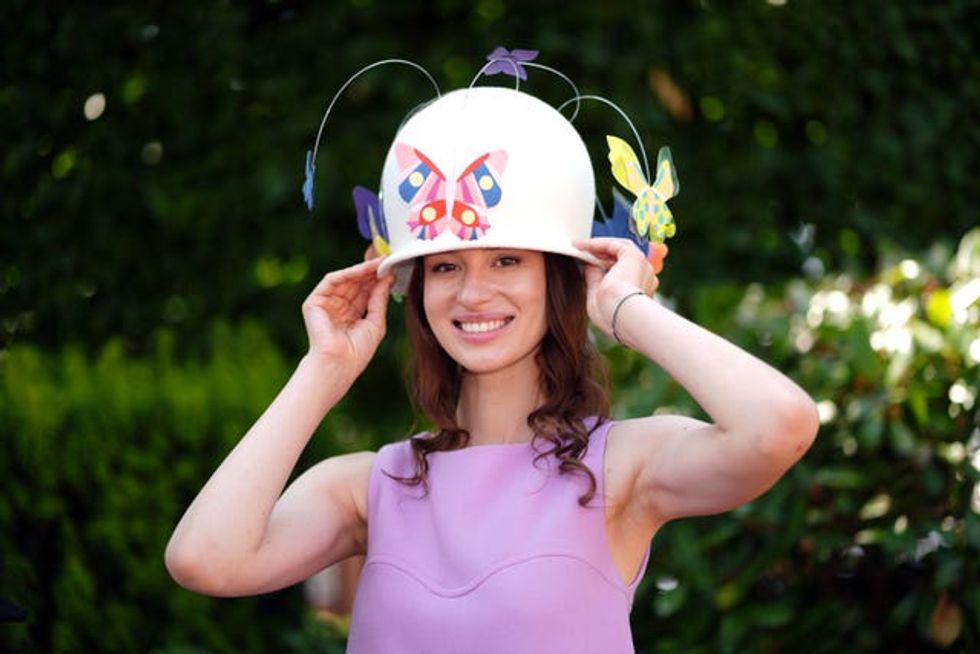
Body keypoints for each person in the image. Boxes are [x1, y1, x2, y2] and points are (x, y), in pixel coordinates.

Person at [165, 53, 819, 653]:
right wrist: (324, 370)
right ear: (415, 291)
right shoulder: (369, 487)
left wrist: (623, 308)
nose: (474, 293)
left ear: (559, 278)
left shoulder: (622, 467)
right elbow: (205, 559)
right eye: (445, 267)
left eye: (507, 260)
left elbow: (780, 426)